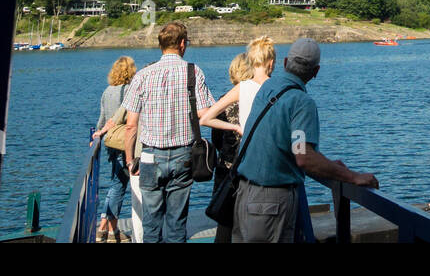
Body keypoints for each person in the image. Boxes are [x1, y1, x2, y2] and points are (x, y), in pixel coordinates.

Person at [232, 37, 378, 243]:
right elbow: (304, 157)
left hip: (244, 194)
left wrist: (326, 163)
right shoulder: (301, 102)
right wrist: (352, 176)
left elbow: (288, 142)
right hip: (270, 203)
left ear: (284, 62)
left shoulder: (267, 87)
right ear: (316, 72)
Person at [121, 21, 215, 243]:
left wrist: (128, 159)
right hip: (183, 155)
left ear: (161, 45)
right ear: (182, 44)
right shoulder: (194, 71)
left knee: (151, 223)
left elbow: (131, 125)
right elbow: (204, 114)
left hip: (150, 156)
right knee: (176, 223)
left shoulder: (142, 75)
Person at [199, 51, 253, 243]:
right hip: (250, 171)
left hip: (226, 170)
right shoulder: (259, 100)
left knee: (224, 225)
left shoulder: (223, 101)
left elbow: (217, 139)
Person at [91, 55, 136, 242]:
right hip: (123, 142)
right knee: (119, 185)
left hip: (110, 142)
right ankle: (110, 231)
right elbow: (128, 118)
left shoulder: (107, 90)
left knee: (115, 183)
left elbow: (102, 117)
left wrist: (98, 134)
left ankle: (105, 228)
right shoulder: (128, 91)